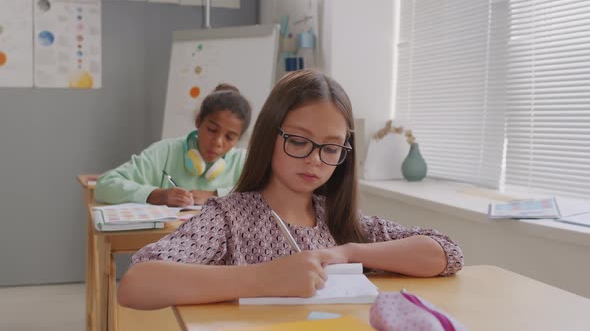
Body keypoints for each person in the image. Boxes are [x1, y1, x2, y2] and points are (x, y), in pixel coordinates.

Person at [117, 70, 464, 310]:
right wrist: (264, 278)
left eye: (331, 148)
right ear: (270, 136)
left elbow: (446, 253)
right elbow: (137, 284)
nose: (314, 159)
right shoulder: (229, 218)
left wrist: (349, 253)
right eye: (298, 141)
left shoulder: (339, 221)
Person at [94, 84, 251, 206]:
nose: (217, 142)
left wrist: (215, 195)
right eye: (211, 130)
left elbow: (266, 198)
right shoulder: (165, 152)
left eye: (229, 137)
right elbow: (105, 185)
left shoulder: (243, 161)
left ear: (239, 139)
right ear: (198, 121)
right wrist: (157, 195)